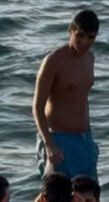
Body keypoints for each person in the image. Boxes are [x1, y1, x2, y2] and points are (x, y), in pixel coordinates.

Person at [33, 10, 101, 180]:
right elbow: (37, 107)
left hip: (83, 139)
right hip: (58, 139)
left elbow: (82, 100)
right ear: (70, 30)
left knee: (87, 198)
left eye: (90, 37)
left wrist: (90, 140)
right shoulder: (53, 61)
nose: (84, 42)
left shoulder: (89, 58)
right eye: (80, 36)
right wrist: (49, 143)